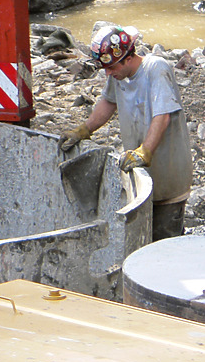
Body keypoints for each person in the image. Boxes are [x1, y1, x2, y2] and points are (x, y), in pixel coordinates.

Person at [59, 25, 193, 240]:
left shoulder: (155, 69)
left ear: (128, 58)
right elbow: (108, 102)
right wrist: (83, 130)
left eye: (111, 68)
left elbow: (163, 115)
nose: (108, 73)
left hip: (169, 173)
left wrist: (144, 152)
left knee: (165, 241)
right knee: (141, 240)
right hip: (142, 173)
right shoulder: (118, 75)